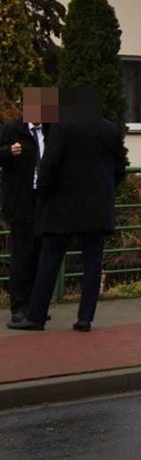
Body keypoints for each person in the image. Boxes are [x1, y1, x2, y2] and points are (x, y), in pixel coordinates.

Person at [8, 87, 126, 332]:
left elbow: (49, 164)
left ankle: (36, 316)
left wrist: (42, 191)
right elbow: (119, 168)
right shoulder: (110, 129)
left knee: (49, 260)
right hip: (96, 210)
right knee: (92, 262)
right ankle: (85, 319)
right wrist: (104, 193)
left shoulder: (63, 127)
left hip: (62, 208)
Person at [0, 87, 55, 325]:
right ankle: (19, 306)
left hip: (43, 201)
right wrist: (7, 153)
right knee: (22, 255)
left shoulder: (51, 131)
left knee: (41, 253)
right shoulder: (13, 129)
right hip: (21, 200)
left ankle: (36, 303)